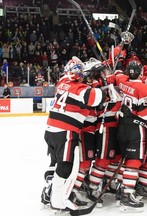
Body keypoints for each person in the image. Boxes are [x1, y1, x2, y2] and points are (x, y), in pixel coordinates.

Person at [41, 57, 106, 214]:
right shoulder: (81, 90)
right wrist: (100, 80)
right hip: (66, 132)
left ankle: (48, 194)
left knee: (55, 163)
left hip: (50, 130)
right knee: (65, 166)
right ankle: (57, 201)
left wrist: (86, 75)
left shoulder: (62, 82)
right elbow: (99, 97)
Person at [117, 60, 147, 212]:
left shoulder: (122, 82)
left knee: (123, 159)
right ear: (141, 72)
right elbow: (145, 115)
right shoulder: (144, 88)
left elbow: (116, 75)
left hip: (121, 126)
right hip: (136, 128)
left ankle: (121, 188)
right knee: (133, 161)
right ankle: (127, 195)